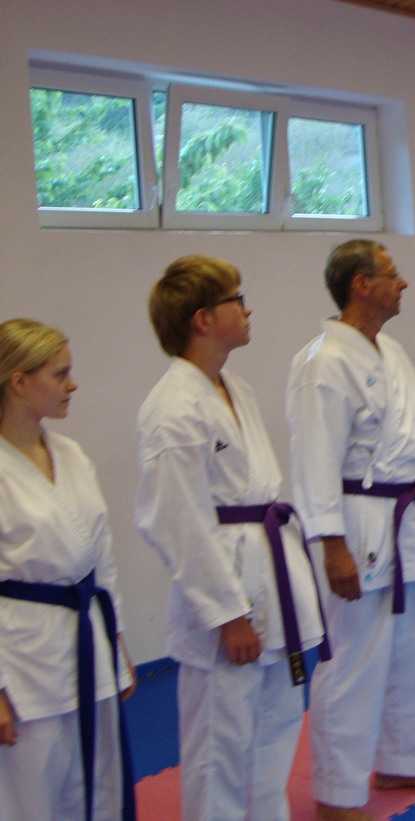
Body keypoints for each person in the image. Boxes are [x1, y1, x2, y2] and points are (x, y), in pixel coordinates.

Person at [135, 257, 326, 821]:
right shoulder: (171, 408)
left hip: (270, 572)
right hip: (225, 596)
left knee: (275, 731)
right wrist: (227, 614)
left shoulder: (233, 388)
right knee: (219, 749)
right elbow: (177, 523)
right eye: (236, 301)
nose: (247, 310)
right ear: (203, 319)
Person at [286, 241, 415, 821]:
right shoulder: (323, 363)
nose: (402, 283)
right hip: (357, 521)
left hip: (406, 516)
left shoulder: (394, 351)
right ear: (362, 284)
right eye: (392, 275)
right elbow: (314, 461)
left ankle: (400, 761)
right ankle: (337, 794)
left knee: (408, 648)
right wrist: (331, 545)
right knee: (354, 658)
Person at [0, 319, 136, 821]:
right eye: (60, 375)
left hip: (87, 637)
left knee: (96, 787)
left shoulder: (71, 455)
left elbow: (102, 558)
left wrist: (117, 643)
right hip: (22, 658)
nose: (72, 385)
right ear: (18, 382)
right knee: (29, 795)